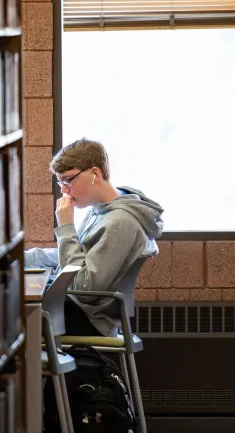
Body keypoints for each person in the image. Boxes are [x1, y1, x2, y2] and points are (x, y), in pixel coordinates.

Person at [25, 138, 163, 337]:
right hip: (78, 307)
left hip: (89, 318)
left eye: (68, 180)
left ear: (95, 174)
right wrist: (26, 258)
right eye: (60, 182)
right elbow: (75, 257)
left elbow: (83, 287)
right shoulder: (100, 212)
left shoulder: (121, 222)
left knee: (11, 310)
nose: (64, 190)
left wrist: (65, 227)